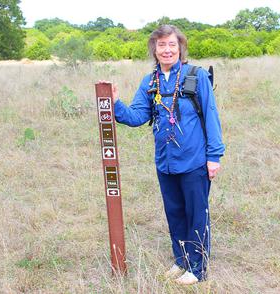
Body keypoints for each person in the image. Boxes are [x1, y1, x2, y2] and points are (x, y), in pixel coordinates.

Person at [110, 24, 225, 285]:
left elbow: (211, 115)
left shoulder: (196, 76)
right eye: (161, 45)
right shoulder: (150, 82)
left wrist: (214, 156)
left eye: (172, 44)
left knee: (196, 214)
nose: (167, 49)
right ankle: (181, 260)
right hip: (166, 162)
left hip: (194, 160)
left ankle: (197, 269)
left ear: (180, 48)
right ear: (154, 49)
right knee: (174, 212)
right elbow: (138, 116)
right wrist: (116, 103)